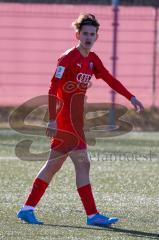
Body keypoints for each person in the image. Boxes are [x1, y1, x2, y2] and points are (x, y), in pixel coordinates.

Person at [17, 13, 144, 226]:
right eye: (84, 33)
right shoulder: (67, 58)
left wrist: (131, 97)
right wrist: (52, 119)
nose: (88, 37)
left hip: (76, 121)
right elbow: (52, 88)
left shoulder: (92, 60)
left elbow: (110, 79)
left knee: (55, 166)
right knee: (82, 163)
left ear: (96, 36)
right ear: (77, 34)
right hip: (65, 120)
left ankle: (27, 209)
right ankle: (92, 215)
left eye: (92, 34)